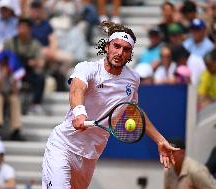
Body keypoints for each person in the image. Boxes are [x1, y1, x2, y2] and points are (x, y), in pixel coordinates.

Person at [42, 21, 180, 189]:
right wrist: (79, 113)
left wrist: (160, 140)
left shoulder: (133, 79)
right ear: (107, 47)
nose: (120, 52)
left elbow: (133, 111)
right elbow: (77, 90)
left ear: (130, 55)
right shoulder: (87, 68)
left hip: (90, 156)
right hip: (63, 146)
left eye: (126, 49)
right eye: (116, 46)